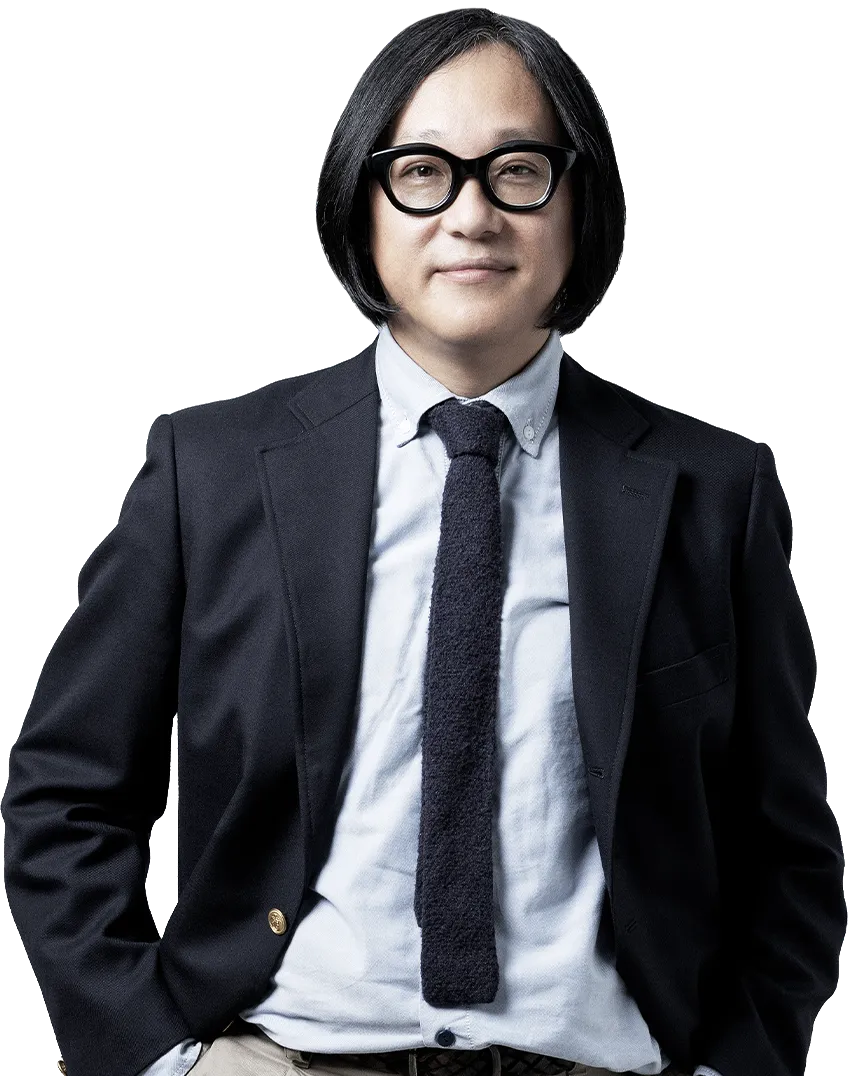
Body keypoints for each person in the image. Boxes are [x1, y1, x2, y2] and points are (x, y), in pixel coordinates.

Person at [3, 8, 844, 1076]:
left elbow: (785, 840)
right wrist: (165, 1055)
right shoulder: (209, 472)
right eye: (422, 173)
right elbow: (66, 792)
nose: (471, 215)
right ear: (362, 203)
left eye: (518, 172)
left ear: (579, 204)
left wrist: (735, 1062)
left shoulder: (713, 490)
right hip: (293, 1053)